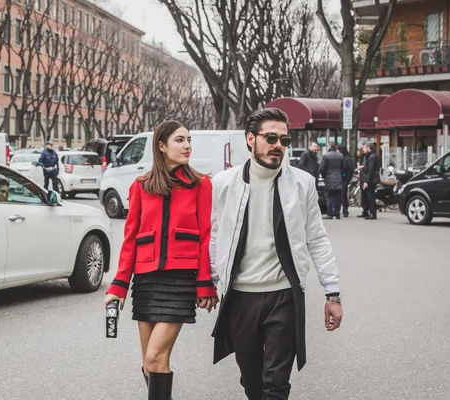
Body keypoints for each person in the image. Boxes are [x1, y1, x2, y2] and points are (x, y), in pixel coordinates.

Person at [210, 108, 342, 400]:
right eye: (271, 138)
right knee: (252, 381)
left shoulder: (302, 183)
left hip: (284, 295)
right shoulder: (223, 183)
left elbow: (317, 239)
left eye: (284, 140)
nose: (278, 146)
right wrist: (210, 279)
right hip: (241, 296)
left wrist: (332, 294)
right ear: (250, 139)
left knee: (276, 384)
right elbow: (216, 234)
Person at [104, 121, 218, 400]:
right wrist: (118, 286)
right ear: (162, 146)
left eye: (189, 140)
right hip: (145, 281)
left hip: (180, 282)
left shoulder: (202, 185)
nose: (187, 145)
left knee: (155, 358)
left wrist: (205, 283)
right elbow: (130, 238)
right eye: (180, 140)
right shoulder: (141, 186)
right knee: (150, 363)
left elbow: (206, 236)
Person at [320, 144, 344, 219]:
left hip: (329, 178)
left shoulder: (326, 156)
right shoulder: (340, 156)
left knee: (329, 197)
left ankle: (329, 213)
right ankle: (337, 213)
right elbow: (343, 167)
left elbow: (322, 168)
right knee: (338, 197)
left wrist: (324, 176)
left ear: (329, 147)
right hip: (338, 177)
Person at [362, 143, 382, 220]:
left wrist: (366, 181)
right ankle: (372, 213)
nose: (363, 149)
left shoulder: (371, 157)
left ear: (368, 148)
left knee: (371, 197)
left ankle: (372, 214)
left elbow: (370, 170)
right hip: (374, 178)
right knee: (371, 196)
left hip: (371, 179)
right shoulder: (374, 156)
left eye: (364, 147)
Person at [338, 145, 354, 217]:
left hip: (344, 179)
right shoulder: (343, 157)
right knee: (342, 195)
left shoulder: (347, 158)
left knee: (343, 195)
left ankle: (345, 210)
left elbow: (350, 170)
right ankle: (344, 210)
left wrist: (347, 180)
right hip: (342, 178)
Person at [357, 144, 371, 218]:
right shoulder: (363, 157)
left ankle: (368, 211)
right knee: (363, 196)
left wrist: (363, 167)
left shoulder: (369, 156)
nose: (363, 149)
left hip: (366, 177)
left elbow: (369, 167)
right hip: (362, 177)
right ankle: (365, 210)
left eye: (364, 148)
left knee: (367, 195)